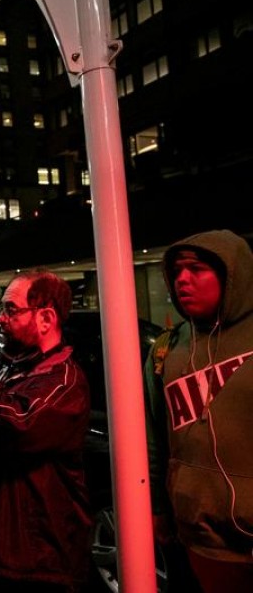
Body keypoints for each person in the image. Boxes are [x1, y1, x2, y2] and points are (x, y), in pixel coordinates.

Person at [0, 269, 92, 592]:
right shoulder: (7, 366)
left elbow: (14, 423)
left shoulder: (63, 381)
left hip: (29, 566)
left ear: (46, 319)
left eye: (11, 309)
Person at [144, 230, 253, 592]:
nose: (182, 280)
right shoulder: (166, 350)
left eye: (196, 269)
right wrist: (160, 508)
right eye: (176, 271)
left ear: (231, 273)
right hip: (198, 535)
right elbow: (155, 439)